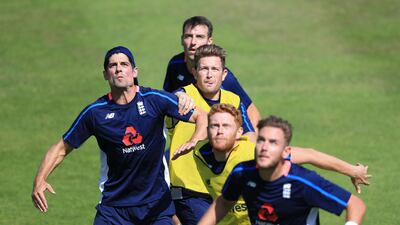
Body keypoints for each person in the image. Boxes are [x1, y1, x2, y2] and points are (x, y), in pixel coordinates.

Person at [31, 46, 208, 225]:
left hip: (155, 206)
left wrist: (195, 139)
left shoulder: (154, 99)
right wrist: (40, 179)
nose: (118, 68)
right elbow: (61, 148)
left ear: (134, 71)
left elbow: (201, 116)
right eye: (112, 65)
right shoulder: (96, 113)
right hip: (114, 209)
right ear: (105, 74)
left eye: (124, 64)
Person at [198, 115, 367, 225]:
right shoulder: (242, 173)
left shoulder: (303, 182)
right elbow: (224, 202)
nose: (264, 147)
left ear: (286, 152)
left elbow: (355, 205)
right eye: (261, 140)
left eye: (273, 142)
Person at [166, 44, 256, 225]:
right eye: (204, 68)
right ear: (194, 71)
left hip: (223, 190)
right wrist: (177, 97)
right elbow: (164, 102)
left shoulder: (233, 99)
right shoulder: (182, 97)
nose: (209, 74)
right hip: (190, 194)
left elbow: (250, 136)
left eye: (214, 69)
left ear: (224, 74)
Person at [163, 16, 261, 128]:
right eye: (188, 36)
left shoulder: (224, 78)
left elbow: (252, 112)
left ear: (209, 41)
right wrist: (178, 94)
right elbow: (166, 99)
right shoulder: (175, 64)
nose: (193, 42)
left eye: (199, 37)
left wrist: (251, 143)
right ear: (182, 39)